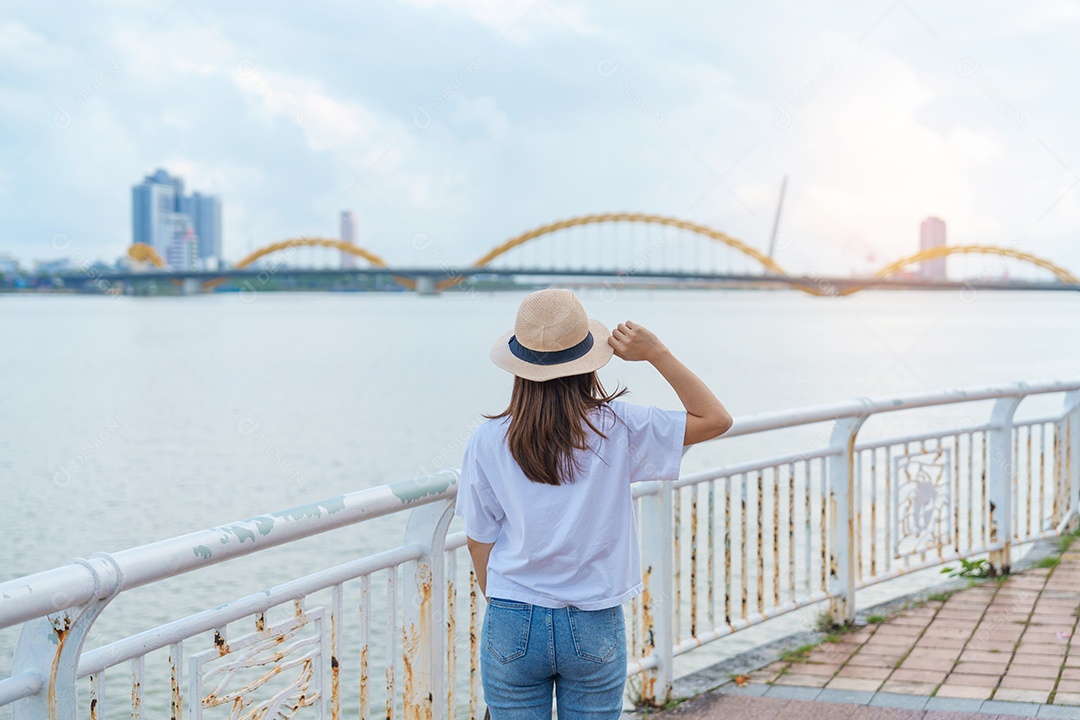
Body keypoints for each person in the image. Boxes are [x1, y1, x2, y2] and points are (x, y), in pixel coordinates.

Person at [455, 288, 732, 719]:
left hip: (511, 615)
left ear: (519, 365)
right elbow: (715, 419)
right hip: (592, 617)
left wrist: (506, 605)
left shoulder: (488, 440)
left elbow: (479, 539)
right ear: (588, 360)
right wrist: (657, 352)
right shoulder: (619, 427)